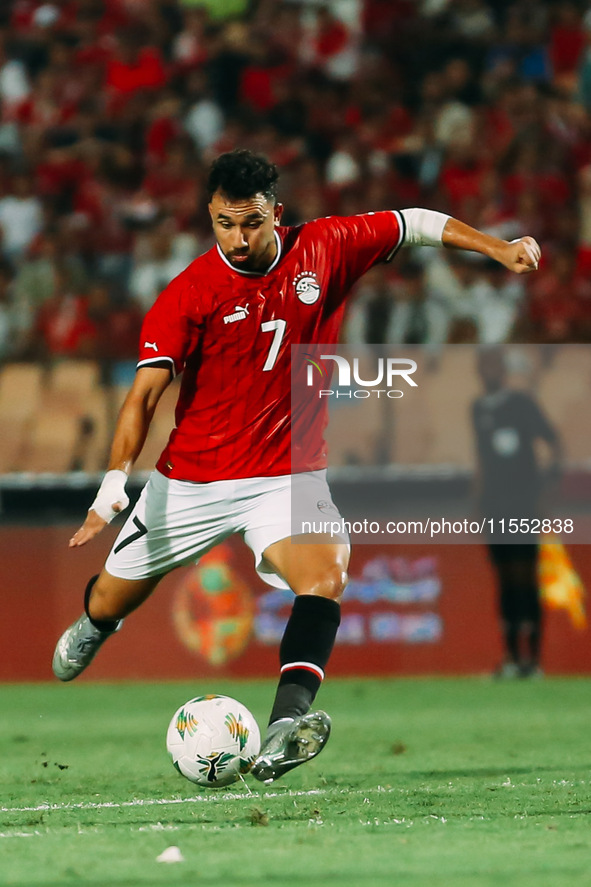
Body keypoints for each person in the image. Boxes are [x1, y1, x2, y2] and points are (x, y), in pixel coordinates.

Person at [53, 149, 541, 783]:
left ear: (276, 214)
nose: (239, 238)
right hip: (191, 481)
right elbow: (144, 394)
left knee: (327, 572)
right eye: (225, 224)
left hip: (286, 476)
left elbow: (414, 221)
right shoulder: (189, 294)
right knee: (111, 597)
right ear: (210, 215)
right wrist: (114, 482)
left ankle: (286, 723)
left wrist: (497, 248)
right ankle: (96, 624)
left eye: (252, 223)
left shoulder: (327, 245)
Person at [472, 347, 561, 679]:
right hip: (495, 506)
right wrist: (478, 501)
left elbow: (553, 441)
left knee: (526, 577)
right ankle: (511, 658)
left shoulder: (522, 403)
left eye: (493, 364)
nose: (488, 371)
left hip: (523, 504)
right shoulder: (478, 408)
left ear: (503, 369)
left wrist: (549, 487)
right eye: (483, 365)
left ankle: (533, 661)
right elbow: (482, 457)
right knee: (505, 580)